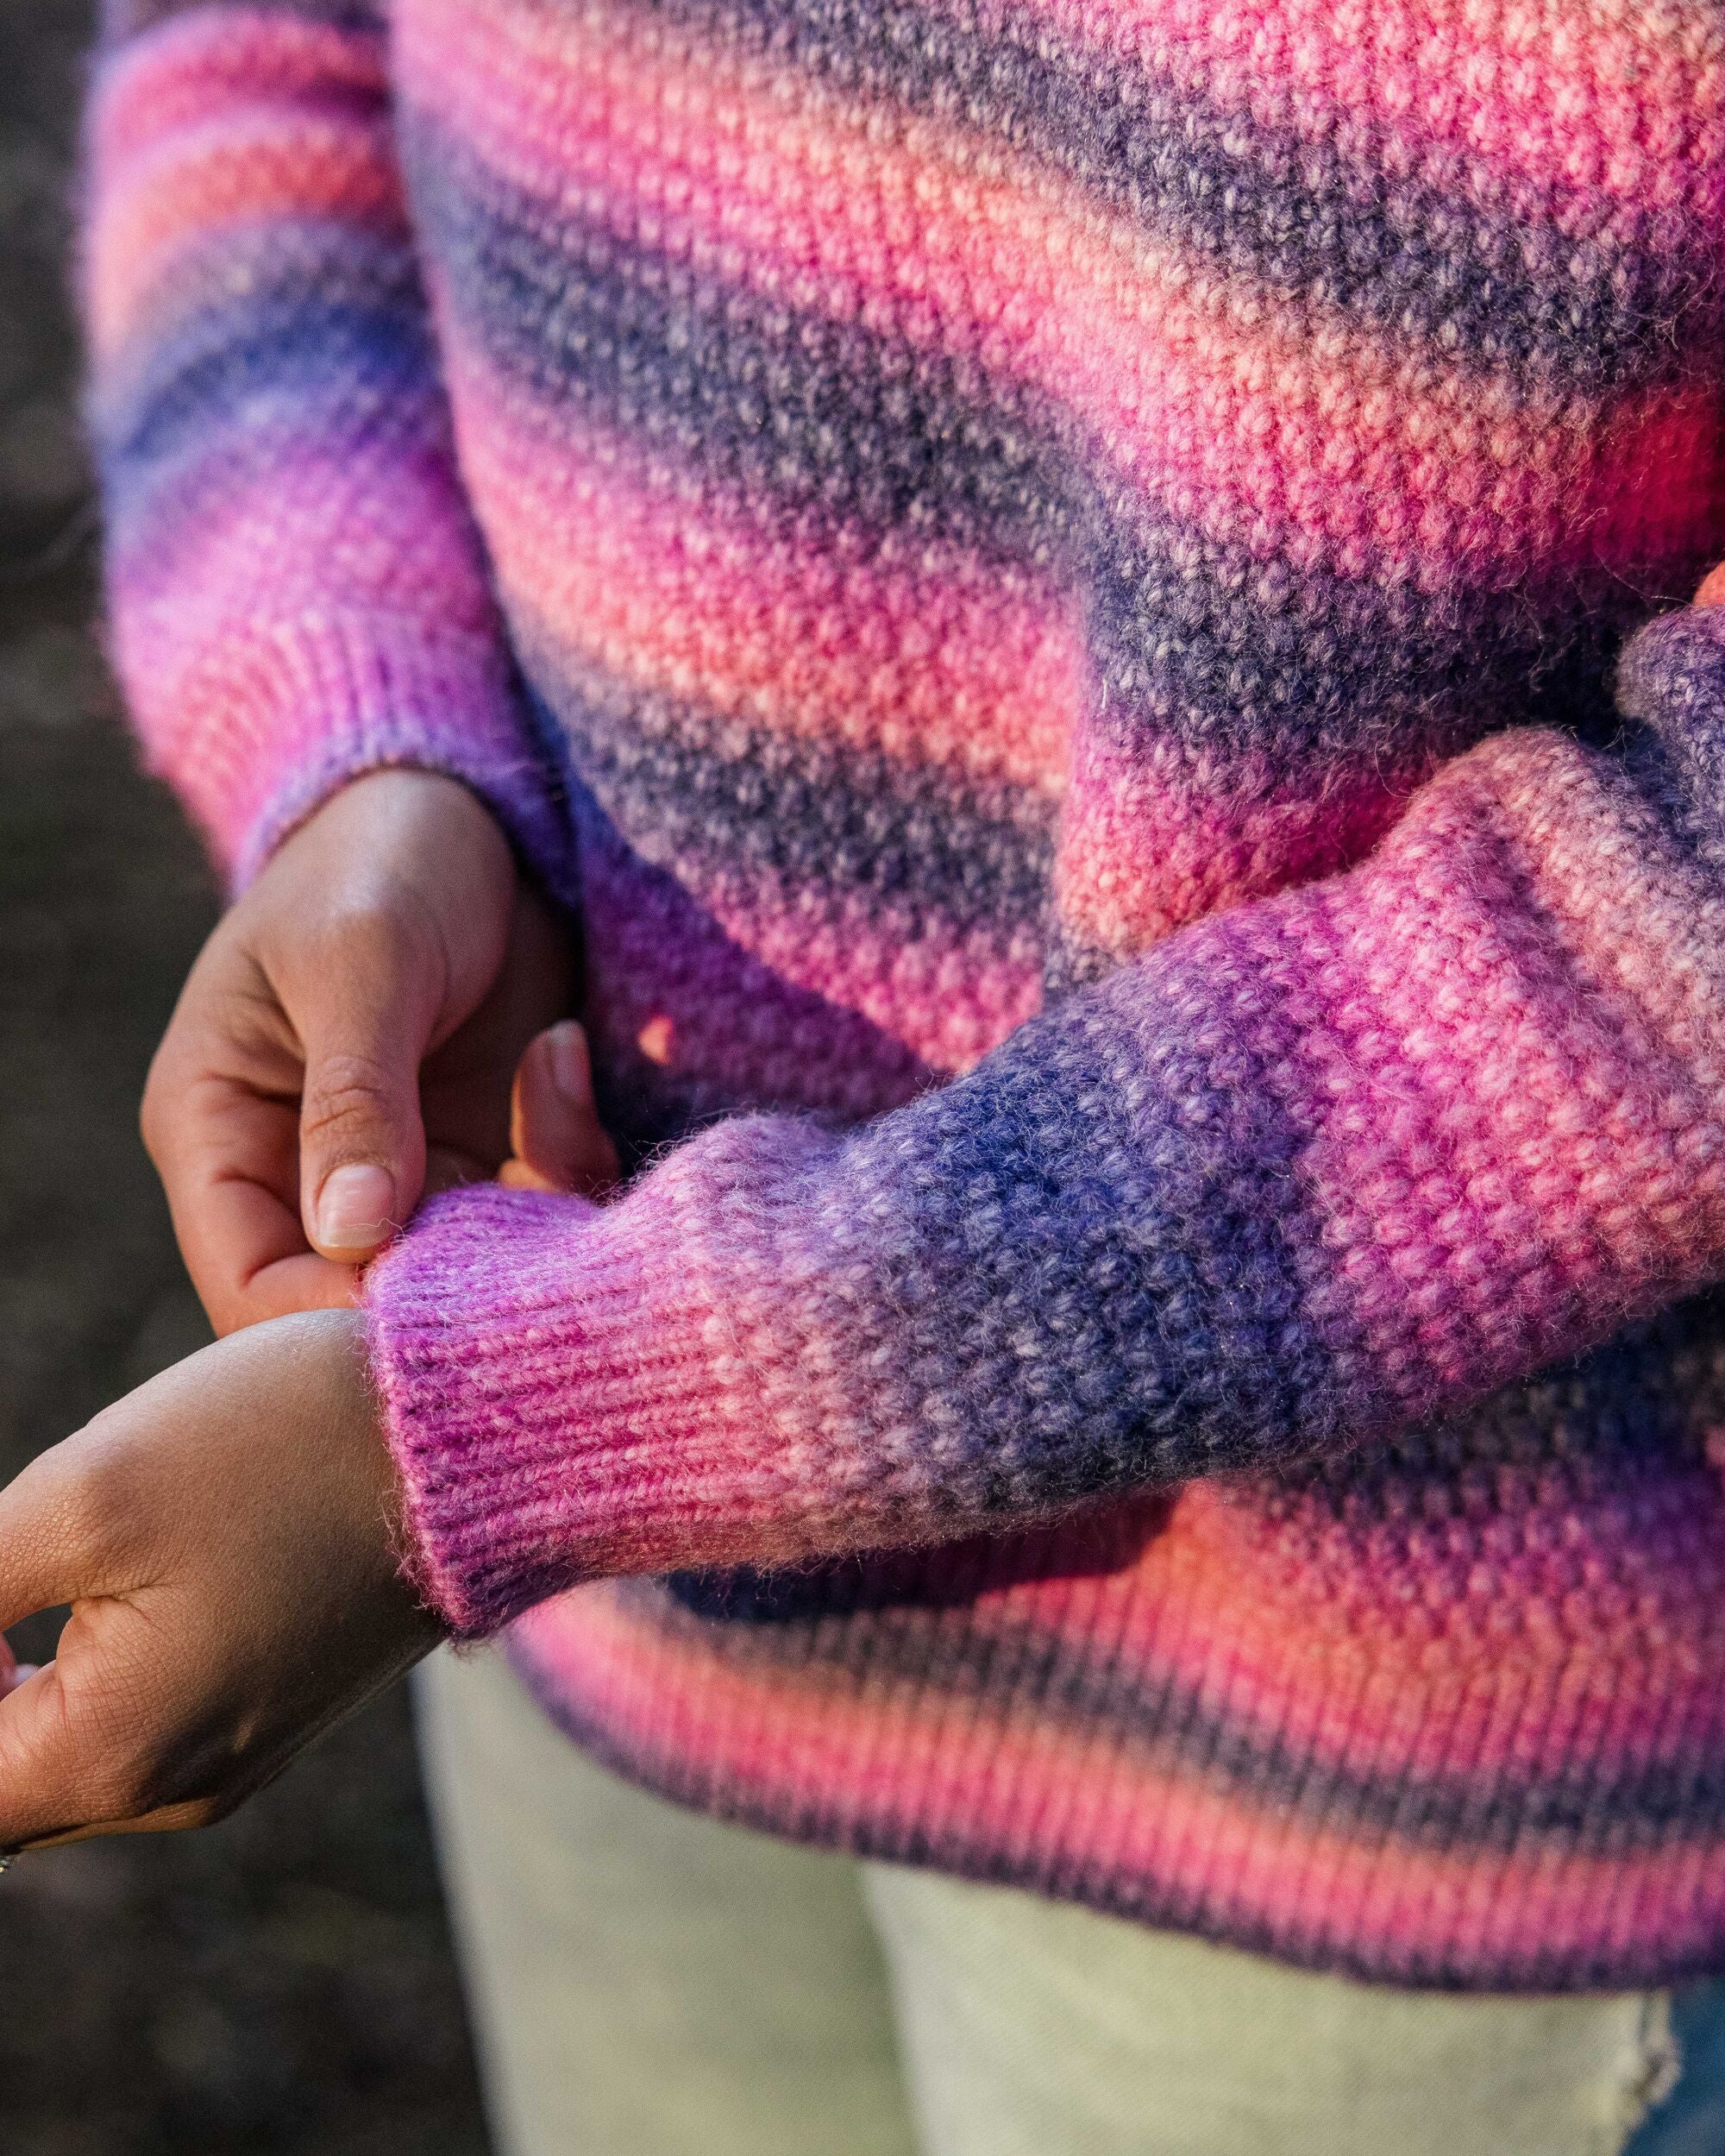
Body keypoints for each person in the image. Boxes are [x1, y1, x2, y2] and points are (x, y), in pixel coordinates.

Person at [5, 0, 1725, 2144]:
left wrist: (591, 1402)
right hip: (564, 1584)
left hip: (1365, 1807)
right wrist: (362, 734)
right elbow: (264, 51)